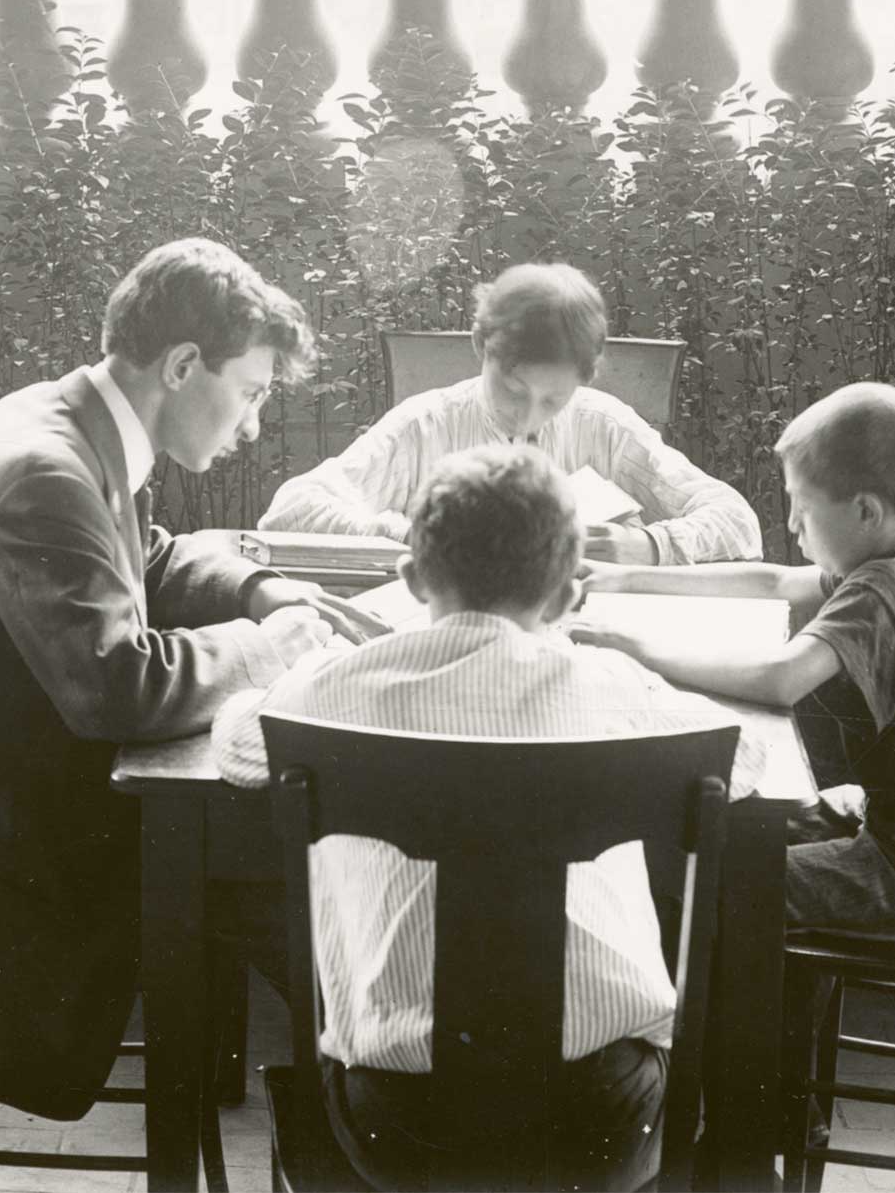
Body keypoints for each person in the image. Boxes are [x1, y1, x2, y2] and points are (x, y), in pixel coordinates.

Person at [0, 238, 383, 1121]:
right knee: (305, 887)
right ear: (184, 365)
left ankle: (374, 1095)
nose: (252, 424)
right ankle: (393, 1111)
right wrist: (277, 647)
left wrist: (265, 591)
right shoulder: (46, 476)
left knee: (305, 876)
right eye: (250, 394)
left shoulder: (65, 418)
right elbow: (120, 689)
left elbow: (147, 558)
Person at [212, 445, 736, 1188]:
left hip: (397, 1125)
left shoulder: (332, 687)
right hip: (605, 1120)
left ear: (411, 577)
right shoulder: (614, 688)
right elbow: (736, 762)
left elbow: (237, 742)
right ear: (564, 599)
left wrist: (311, 662)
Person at [575, 382, 895, 943]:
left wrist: (636, 647)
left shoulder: (887, 588)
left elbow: (781, 680)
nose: (794, 522)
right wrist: (628, 577)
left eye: (801, 503)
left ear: (865, 511)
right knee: (722, 833)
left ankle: (751, 1024)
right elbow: (773, 579)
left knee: (715, 881)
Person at [259, 262, 760, 566]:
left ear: (585, 380)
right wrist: (419, 535)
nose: (527, 417)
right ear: (481, 346)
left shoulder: (602, 423)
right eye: (514, 389)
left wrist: (649, 547)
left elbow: (738, 521)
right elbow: (289, 511)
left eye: (554, 400)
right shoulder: (426, 423)